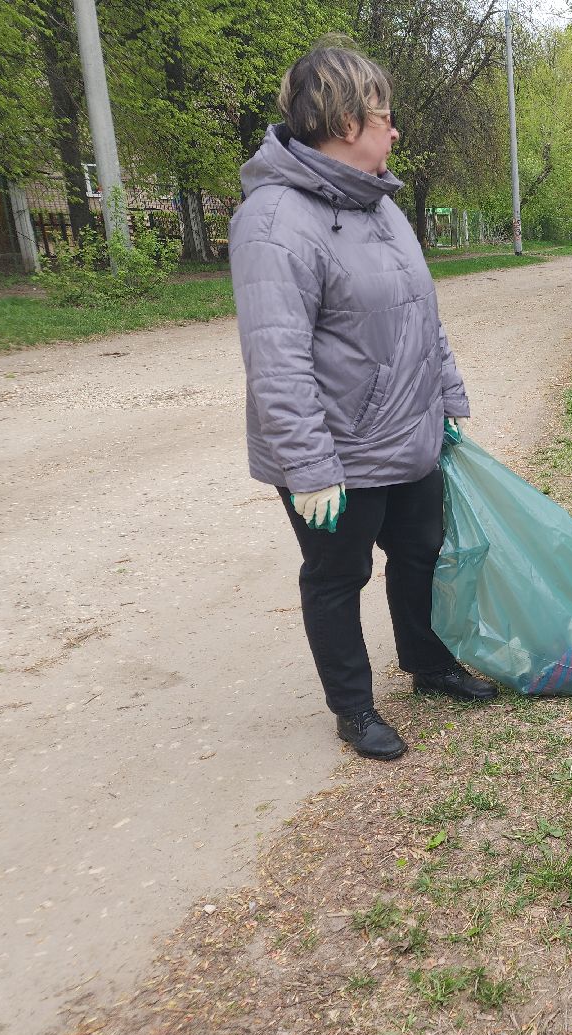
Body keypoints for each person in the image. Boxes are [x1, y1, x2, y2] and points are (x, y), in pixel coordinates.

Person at [229, 39, 497, 763]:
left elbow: (422, 315)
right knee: (337, 576)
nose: (394, 131)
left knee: (421, 552)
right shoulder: (275, 221)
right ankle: (353, 708)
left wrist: (445, 399)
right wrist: (309, 468)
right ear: (347, 123)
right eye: (384, 116)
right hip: (337, 454)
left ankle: (429, 663)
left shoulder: (380, 205)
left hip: (407, 434)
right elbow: (277, 361)